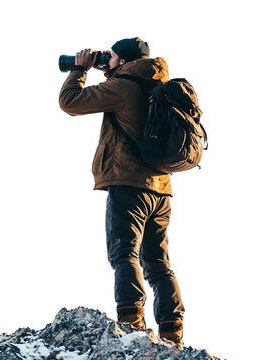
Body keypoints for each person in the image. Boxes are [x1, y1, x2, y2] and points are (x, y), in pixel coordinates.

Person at [58, 37, 185, 346]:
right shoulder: (154, 85)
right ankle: (172, 329)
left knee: (123, 253)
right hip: (161, 189)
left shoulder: (122, 88)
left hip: (128, 183)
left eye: (111, 57)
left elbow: (70, 102)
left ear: (124, 62)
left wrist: (79, 69)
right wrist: (111, 70)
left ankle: (131, 319)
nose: (106, 60)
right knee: (158, 263)